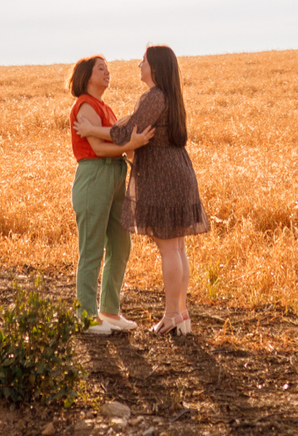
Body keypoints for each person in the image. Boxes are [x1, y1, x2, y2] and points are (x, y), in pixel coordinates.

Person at [87, 44, 208, 336]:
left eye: (143, 61)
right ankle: (182, 315)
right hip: (179, 171)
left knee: (169, 248)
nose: (138, 65)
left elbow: (127, 133)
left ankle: (170, 317)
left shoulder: (154, 96)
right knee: (177, 247)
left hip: (162, 176)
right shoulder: (171, 97)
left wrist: (91, 130)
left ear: (154, 68)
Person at [68, 54, 155, 337]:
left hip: (116, 175)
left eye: (108, 69)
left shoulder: (104, 107)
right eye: (101, 69)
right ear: (86, 75)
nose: (107, 72)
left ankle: (109, 310)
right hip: (95, 175)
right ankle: (86, 316)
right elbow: (99, 148)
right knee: (92, 248)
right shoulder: (84, 105)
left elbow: (117, 142)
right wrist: (130, 143)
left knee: (121, 244)